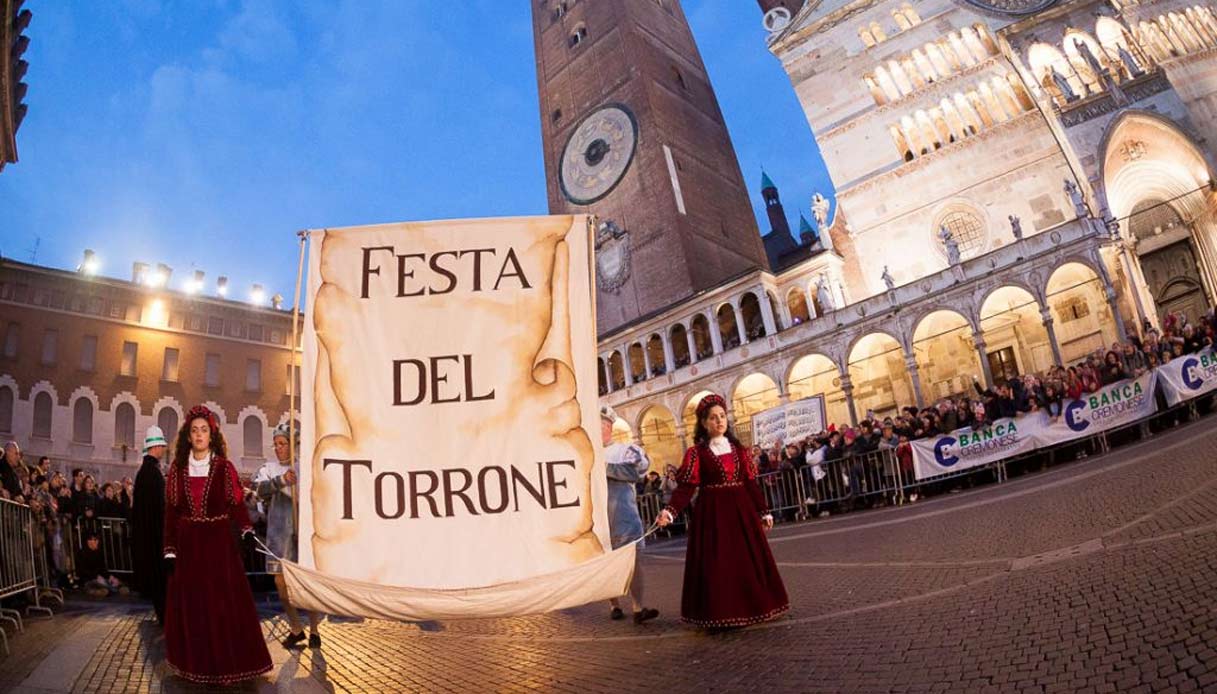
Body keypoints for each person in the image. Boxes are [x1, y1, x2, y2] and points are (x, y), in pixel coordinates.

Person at [656, 393, 789, 627]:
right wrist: (670, 511)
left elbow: (750, 483)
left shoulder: (739, 450)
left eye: (722, 416)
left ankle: (754, 607)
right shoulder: (697, 453)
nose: (719, 421)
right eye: (713, 418)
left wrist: (763, 511)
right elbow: (686, 487)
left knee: (746, 560)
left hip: (741, 512)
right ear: (704, 423)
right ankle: (722, 613)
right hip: (713, 514)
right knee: (719, 562)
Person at [162, 405, 272, 685]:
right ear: (188, 435)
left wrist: (246, 529)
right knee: (194, 606)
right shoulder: (177, 469)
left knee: (222, 605)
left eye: (204, 430)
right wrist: (170, 548)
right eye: (194, 430)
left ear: (212, 435)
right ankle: (197, 665)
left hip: (218, 544)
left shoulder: (224, 467)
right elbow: (171, 513)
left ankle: (226, 666)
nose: (199, 435)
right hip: (188, 546)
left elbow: (236, 504)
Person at [253, 423, 322, 648]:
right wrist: (281, 481)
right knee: (281, 585)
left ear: (293, 445)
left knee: (305, 584)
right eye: (276, 444)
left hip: (300, 534)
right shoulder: (269, 468)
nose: (278, 448)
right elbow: (258, 489)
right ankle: (295, 627)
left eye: (282, 444)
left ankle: (314, 630)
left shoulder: (304, 468)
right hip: (278, 535)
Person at [599, 405, 659, 624]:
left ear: (608, 426)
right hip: (600, 519)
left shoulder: (625, 450)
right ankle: (614, 605)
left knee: (634, 563)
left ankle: (638, 607)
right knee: (604, 564)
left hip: (624, 516)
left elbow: (636, 472)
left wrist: (602, 467)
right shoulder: (585, 452)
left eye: (600, 425)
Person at [131, 426, 168, 624]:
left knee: (156, 578)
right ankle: (164, 614)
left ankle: (162, 612)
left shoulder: (145, 471)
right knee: (159, 578)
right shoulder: (152, 473)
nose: (163, 449)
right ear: (155, 447)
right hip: (155, 535)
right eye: (161, 445)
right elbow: (160, 507)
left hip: (148, 534)